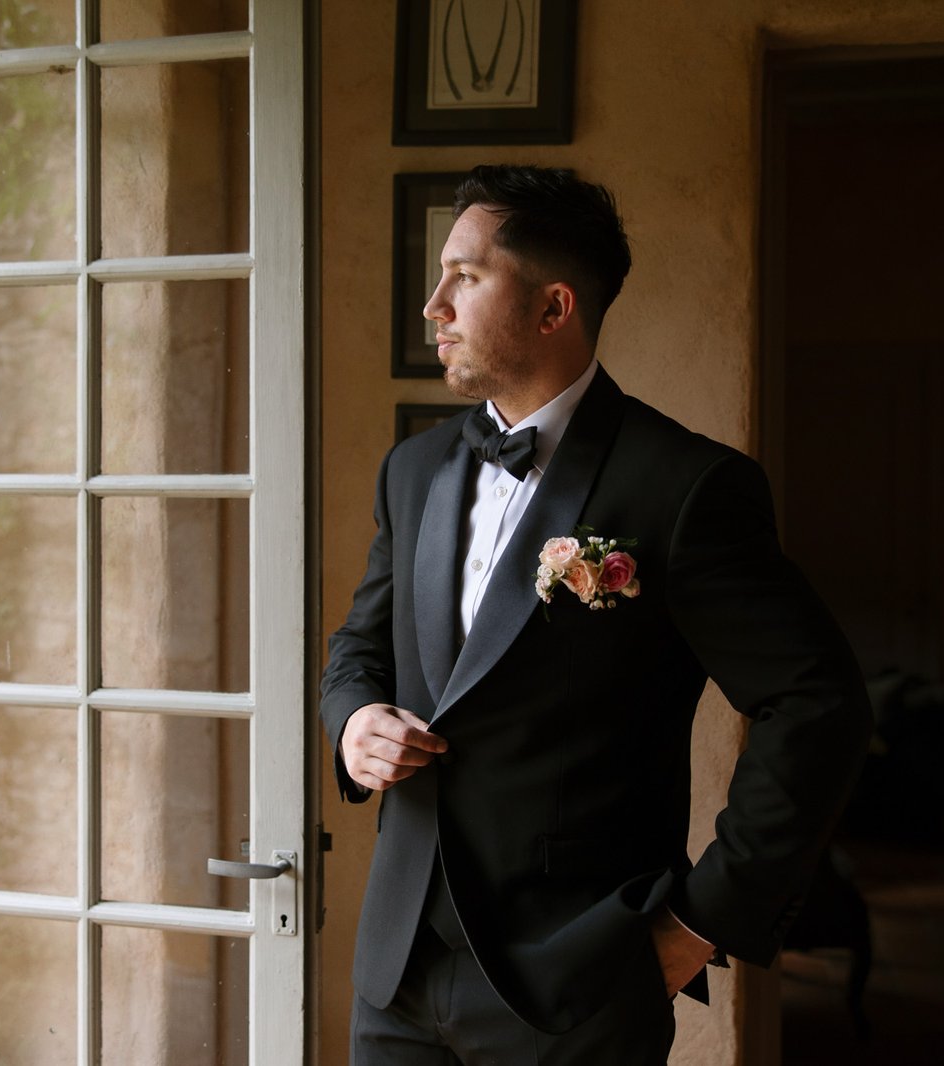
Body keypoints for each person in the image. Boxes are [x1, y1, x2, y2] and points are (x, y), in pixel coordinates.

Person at [320, 164, 871, 1064]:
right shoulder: (411, 474)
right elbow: (358, 649)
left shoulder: (686, 488)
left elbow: (820, 705)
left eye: (464, 275)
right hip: (397, 979)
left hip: (574, 988)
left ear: (553, 308)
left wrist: (703, 922)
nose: (433, 305)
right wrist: (353, 722)